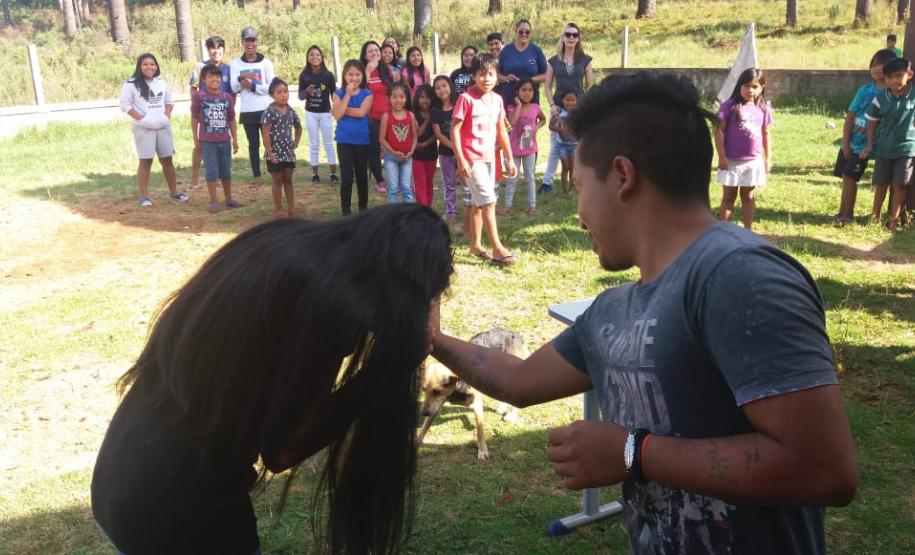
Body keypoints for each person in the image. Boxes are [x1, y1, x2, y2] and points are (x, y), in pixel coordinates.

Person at [429, 71, 859, 555]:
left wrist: (634, 452)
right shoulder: (617, 307)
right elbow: (520, 380)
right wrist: (433, 338)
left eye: (581, 187)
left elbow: (823, 468)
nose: (579, 211)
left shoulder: (738, 276)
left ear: (622, 176)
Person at [92, 203, 454, 555]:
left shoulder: (286, 241)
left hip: (121, 465)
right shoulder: (328, 305)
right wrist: (380, 372)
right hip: (183, 507)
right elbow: (283, 450)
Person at [452, 53, 518, 265]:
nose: (487, 79)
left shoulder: (498, 100)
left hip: (490, 157)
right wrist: (460, 159)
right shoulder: (466, 99)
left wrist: (508, 157)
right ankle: (498, 249)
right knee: (489, 202)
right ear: (474, 76)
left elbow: (502, 131)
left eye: (491, 74)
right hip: (472, 159)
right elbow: (455, 129)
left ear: (497, 75)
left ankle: (476, 246)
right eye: (481, 74)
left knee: (479, 204)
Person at [832, 48, 896, 225]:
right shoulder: (865, 90)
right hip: (852, 142)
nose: (876, 69)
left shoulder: (892, 93)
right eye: (873, 65)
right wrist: (845, 143)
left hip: (868, 147)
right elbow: (851, 115)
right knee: (846, 177)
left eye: (881, 65)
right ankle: (842, 212)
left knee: (851, 177)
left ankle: (848, 215)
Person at [119, 53, 188, 207]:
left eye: (152, 64)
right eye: (145, 64)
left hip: (163, 127)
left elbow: (170, 101)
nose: (149, 67)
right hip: (144, 129)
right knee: (145, 162)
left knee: (167, 161)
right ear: (139, 66)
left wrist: (166, 116)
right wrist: (142, 119)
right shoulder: (131, 84)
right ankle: (144, 197)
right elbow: (125, 105)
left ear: (156, 66)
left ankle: (174, 193)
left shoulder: (161, 82)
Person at [715, 68, 772, 230]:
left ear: (762, 87)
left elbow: (766, 133)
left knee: (748, 196)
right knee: (728, 197)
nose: (750, 90)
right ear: (739, 86)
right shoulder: (729, 106)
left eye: (755, 86)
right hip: (731, 161)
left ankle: (747, 230)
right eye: (746, 86)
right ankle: (722, 231)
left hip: (752, 162)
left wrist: (768, 158)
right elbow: (719, 131)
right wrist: (722, 157)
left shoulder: (762, 109)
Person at [863, 56, 915, 232]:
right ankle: (874, 217)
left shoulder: (913, 96)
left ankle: (894, 220)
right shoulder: (880, 98)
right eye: (889, 77)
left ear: (909, 74)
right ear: (885, 79)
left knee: (899, 185)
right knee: (881, 184)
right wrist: (870, 144)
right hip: (884, 149)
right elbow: (872, 123)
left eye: (898, 75)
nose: (894, 80)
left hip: (907, 149)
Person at [541, 22, 594, 193]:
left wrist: (584, 107)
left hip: (578, 108)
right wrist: (552, 105)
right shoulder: (553, 61)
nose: (571, 38)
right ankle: (547, 182)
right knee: (556, 145)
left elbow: (590, 86)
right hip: (559, 108)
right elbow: (547, 86)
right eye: (568, 34)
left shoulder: (585, 60)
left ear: (578, 38)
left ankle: (579, 180)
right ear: (563, 37)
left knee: (579, 144)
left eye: (574, 35)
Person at [191, 64, 240, 214]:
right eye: (210, 77)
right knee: (211, 172)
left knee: (226, 171)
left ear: (221, 79)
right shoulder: (199, 96)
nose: (214, 79)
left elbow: (231, 119)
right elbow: (193, 118)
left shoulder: (227, 97)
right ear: (204, 80)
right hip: (207, 142)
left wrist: (235, 139)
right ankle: (213, 201)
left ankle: (229, 199)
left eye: (217, 77)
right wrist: (196, 139)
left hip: (224, 140)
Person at [231, 26, 276, 188]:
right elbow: (234, 88)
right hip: (248, 110)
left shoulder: (266, 63)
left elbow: (272, 87)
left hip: (265, 109)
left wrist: (253, 87)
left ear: (257, 42)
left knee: (269, 142)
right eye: (247, 40)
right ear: (242, 42)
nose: (250, 43)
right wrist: (240, 80)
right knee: (253, 144)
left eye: (253, 40)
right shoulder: (236, 64)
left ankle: (274, 171)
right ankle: (256, 175)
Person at [188, 35, 233, 192]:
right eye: (213, 48)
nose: (216, 51)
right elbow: (193, 87)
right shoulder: (200, 67)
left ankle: (220, 176)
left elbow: (231, 91)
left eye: (220, 47)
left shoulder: (228, 68)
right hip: (203, 114)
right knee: (200, 145)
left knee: (223, 145)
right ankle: (194, 177)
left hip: (222, 114)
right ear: (208, 50)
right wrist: (196, 107)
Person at [331, 59, 373, 216]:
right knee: (347, 177)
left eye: (357, 74)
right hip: (344, 141)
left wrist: (342, 109)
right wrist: (347, 95)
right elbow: (336, 115)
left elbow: (362, 113)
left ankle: (363, 209)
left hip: (362, 140)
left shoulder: (367, 93)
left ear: (362, 75)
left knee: (362, 175)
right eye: (350, 74)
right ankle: (346, 211)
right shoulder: (338, 93)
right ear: (344, 75)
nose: (354, 78)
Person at [500, 79, 545, 215]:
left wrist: (536, 128)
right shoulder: (511, 108)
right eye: (523, 90)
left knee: (529, 176)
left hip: (529, 148)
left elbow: (543, 119)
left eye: (530, 90)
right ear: (517, 92)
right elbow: (511, 123)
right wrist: (518, 106)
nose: (527, 93)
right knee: (513, 176)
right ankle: (507, 205)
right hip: (513, 148)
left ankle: (532, 205)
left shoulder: (536, 107)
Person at [262, 78, 302, 219]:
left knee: (288, 180)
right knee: (277, 181)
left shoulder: (291, 111)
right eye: (279, 92)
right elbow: (265, 133)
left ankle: (291, 208)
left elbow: (298, 126)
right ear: (272, 95)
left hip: (288, 153)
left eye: (285, 91)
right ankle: (279, 210)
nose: (283, 95)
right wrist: (269, 151)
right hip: (275, 153)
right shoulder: (269, 112)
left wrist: (296, 142)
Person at [297, 45, 338, 184]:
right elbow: (300, 96)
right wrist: (306, 91)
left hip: (325, 112)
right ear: (308, 58)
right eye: (311, 55)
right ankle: (315, 174)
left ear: (322, 58)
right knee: (314, 144)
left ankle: (333, 173)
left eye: (317, 55)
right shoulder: (304, 75)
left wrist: (336, 109)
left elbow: (334, 94)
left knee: (328, 143)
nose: (315, 57)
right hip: (311, 113)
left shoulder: (328, 75)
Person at [360, 41, 395, 193]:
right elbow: (360, 91)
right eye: (370, 51)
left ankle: (395, 178)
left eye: (376, 50)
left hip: (389, 116)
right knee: (373, 150)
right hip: (371, 118)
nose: (375, 53)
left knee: (392, 148)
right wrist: (367, 72)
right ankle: (380, 180)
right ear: (365, 55)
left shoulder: (386, 69)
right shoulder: (361, 70)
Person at [379, 83, 417, 204]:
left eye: (401, 97)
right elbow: (382, 139)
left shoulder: (410, 116)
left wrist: (411, 151)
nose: (398, 100)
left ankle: (409, 214)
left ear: (406, 98)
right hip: (391, 157)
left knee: (406, 187)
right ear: (389, 99)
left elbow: (415, 137)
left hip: (407, 157)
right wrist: (393, 152)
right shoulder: (386, 116)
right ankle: (392, 215)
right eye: (394, 97)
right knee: (393, 188)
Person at [496, 19, 548, 108]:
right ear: (515, 32)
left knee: (528, 122)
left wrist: (529, 80)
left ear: (531, 34)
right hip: (509, 97)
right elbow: (495, 74)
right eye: (521, 32)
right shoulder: (506, 51)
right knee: (508, 122)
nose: (524, 34)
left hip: (530, 98)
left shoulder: (536, 51)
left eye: (527, 32)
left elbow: (546, 75)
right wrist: (505, 78)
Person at [432, 75, 459, 222]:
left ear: (450, 86)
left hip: (463, 152)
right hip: (445, 153)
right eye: (437, 87)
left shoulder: (460, 105)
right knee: (449, 184)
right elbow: (437, 133)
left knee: (469, 181)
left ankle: (473, 207)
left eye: (444, 85)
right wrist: (453, 147)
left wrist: (459, 149)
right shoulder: (435, 110)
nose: (442, 90)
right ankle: (452, 211)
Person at [549, 89, 579, 195]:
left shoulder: (578, 114)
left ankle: (571, 187)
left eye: (572, 100)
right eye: (567, 100)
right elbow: (551, 126)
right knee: (565, 167)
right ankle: (564, 189)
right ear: (562, 100)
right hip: (562, 145)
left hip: (574, 146)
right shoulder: (559, 113)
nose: (570, 102)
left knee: (572, 167)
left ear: (577, 101)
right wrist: (561, 130)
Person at [412, 84, 438, 207]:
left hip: (431, 153)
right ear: (417, 98)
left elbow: (436, 134)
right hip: (417, 154)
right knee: (420, 183)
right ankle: (422, 207)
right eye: (422, 97)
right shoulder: (414, 114)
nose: (425, 100)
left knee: (429, 182)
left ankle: (428, 207)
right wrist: (428, 119)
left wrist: (425, 143)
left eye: (428, 97)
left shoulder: (435, 112)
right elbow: (417, 133)